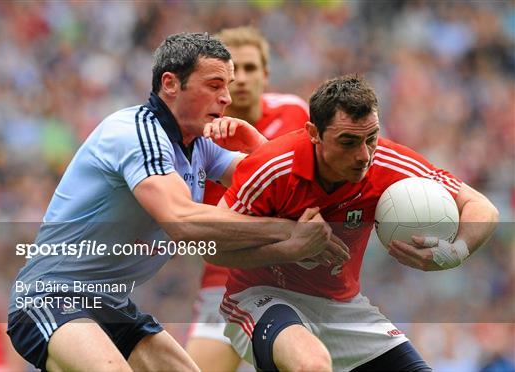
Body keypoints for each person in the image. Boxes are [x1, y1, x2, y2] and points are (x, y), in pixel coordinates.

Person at [6, 32, 346, 372]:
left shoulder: (199, 143)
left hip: (109, 304)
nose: (226, 98)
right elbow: (183, 221)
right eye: (214, 85)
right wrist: (288, 233)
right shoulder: (137, 134)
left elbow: (275, 191)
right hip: (50, 298)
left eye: (226, 86)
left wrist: (259, 147)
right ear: (170, 84)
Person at [209, 74, 499, 371]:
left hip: (342, 307)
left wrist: (456, 252)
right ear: (314, 133)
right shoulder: (272, 166)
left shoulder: (388, 163)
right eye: (347, 141)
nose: (364, 155)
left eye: (370, 138)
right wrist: (289, 247)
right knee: (311, 365)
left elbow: (481, 207)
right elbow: (211, 246)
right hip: (262, 298)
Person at [185, 26, 309, 372]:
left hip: (294, 279)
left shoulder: (295, 114)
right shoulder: (199, 135)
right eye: (231, 72)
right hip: (226, 281)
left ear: (266, 75)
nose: (241, 80)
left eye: (250, 69)